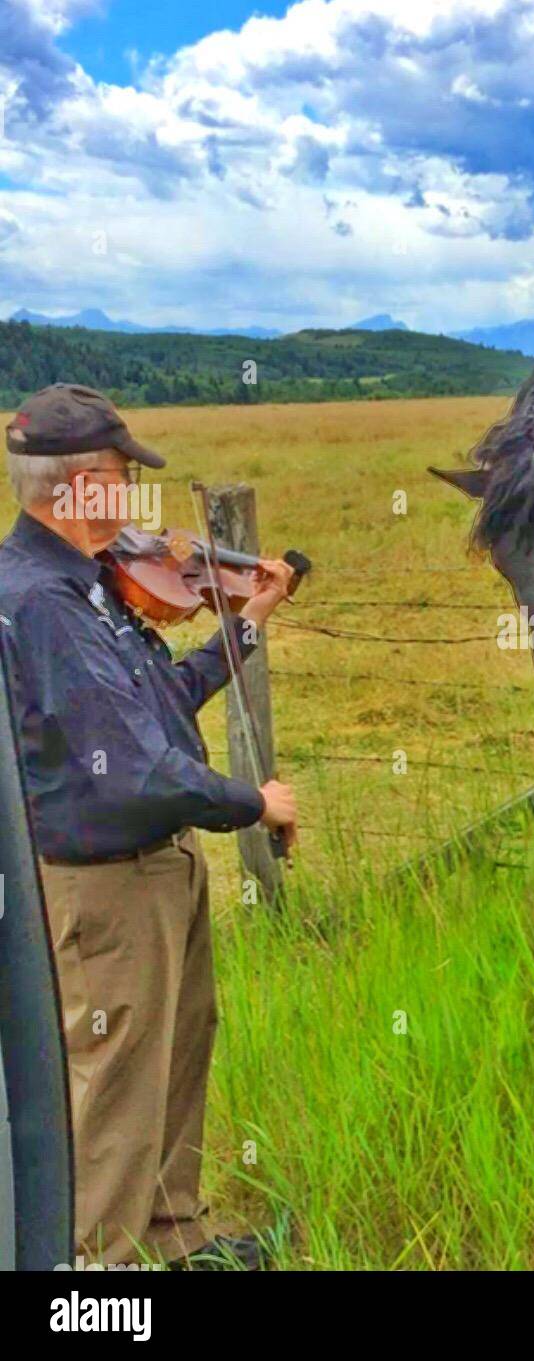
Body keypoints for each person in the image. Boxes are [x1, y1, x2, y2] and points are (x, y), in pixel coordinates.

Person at [0, 383, 297, 1270]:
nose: (133, 502)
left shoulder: (84, 587)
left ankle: (175, 1237)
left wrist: (241, 627)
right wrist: (252, 802)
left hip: (150, 873)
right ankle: (99, 1279)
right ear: (84, 484)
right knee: (115, 1090)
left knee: (173, 1053)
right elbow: (136, 773)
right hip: (105, 883)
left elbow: (157, 703)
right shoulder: (45, 603)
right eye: (124, 478)